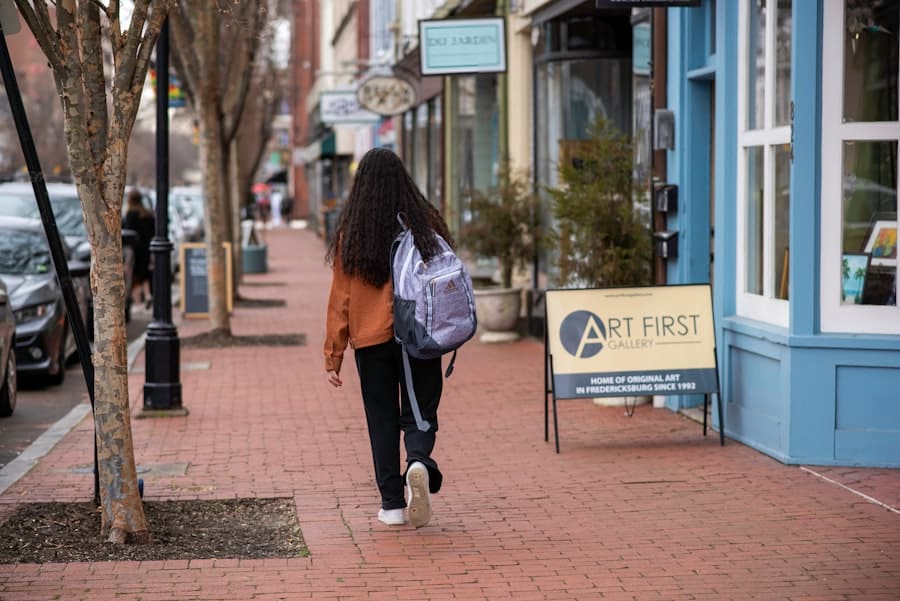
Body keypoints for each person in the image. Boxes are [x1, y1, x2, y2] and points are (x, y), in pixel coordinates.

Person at [324, 147, 453, 528]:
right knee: (421, 409)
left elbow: (341, 297)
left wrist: (334, 353)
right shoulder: (424, 223)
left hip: (370, 338)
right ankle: (418, 461)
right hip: (419, 335)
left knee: (380, 419)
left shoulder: (354, 232)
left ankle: (393, 505)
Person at [122, 189, 155, 307]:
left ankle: (137, 301)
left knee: (134, 274)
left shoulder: (131, 214)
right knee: (145, 273)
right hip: (147, 248)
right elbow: (153, 231)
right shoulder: (148, 214)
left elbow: (127, 231)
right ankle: (147, 295)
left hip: (134, 249)